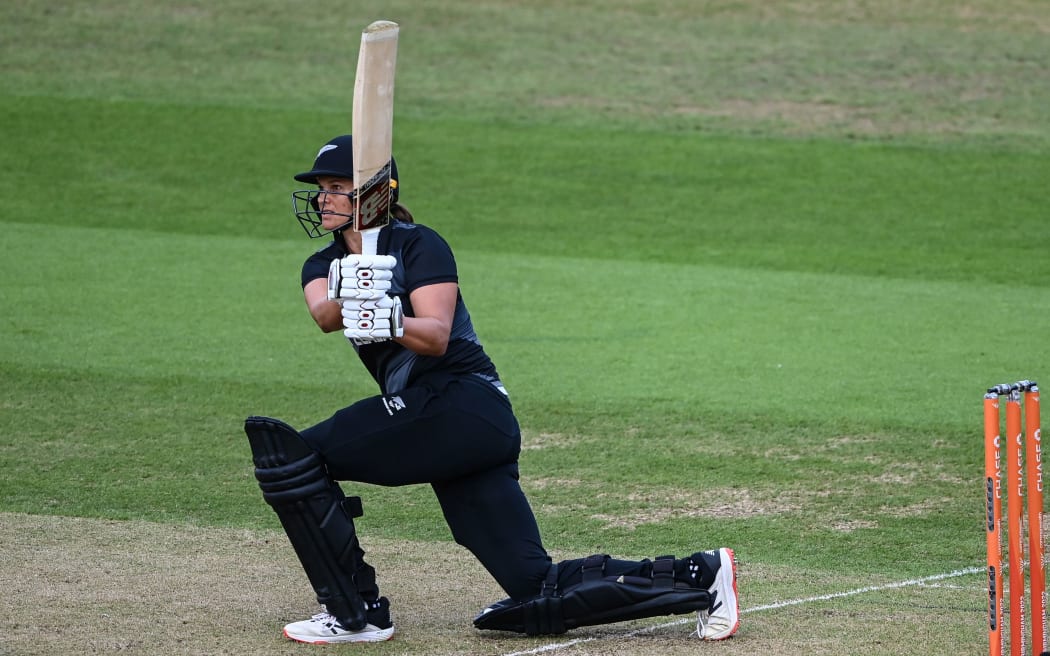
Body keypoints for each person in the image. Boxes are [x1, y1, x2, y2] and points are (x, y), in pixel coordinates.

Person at [243, 134, 740, 645]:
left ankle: (355, 612)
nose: (323, 198)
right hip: (447, 426)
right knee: (536, 586)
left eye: (337, 187)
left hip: (462, 402)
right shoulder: (322, 265)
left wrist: (390, 317)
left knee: (293, 458)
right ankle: (701, 574)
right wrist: (355, 284)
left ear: (372, 194)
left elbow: (434, 336)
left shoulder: (418, 243)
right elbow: (325, 315)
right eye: (321, 188)